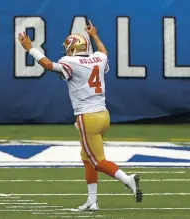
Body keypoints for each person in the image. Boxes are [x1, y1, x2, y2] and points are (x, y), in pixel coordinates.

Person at [17, 20, 143, 211]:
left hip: (87, 117)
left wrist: (30, 49)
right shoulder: (99, 58)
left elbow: (48, 65)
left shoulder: (70, 61)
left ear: (72, 48)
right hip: (103, 116)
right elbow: (104, 53)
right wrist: (95, 35)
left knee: (97, 161)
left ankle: (127, 179)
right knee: (86, 157)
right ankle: (92, 200)